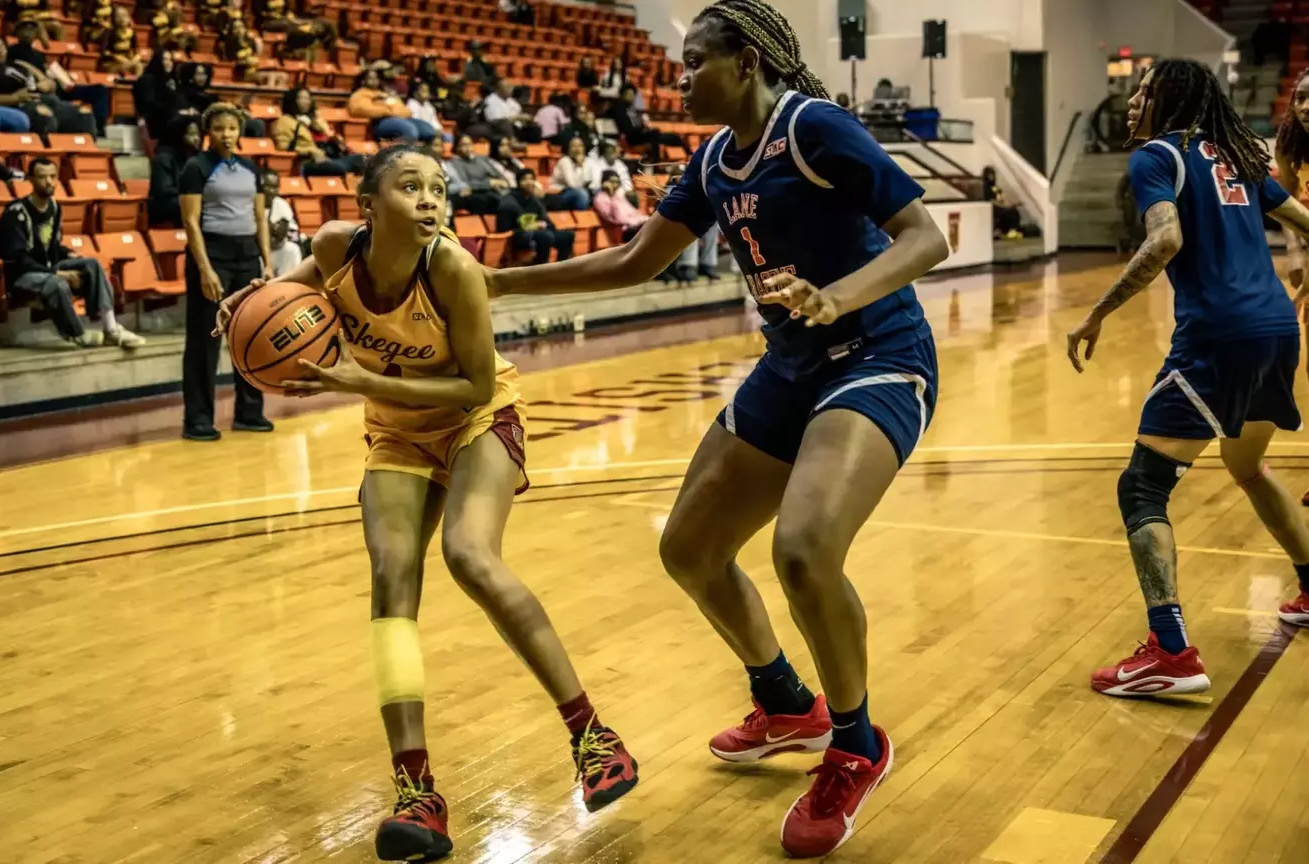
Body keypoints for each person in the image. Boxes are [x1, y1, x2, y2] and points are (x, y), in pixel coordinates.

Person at [486, 3, 950, 854]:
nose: (680, 76)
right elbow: (634, 261)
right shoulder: (710, 159)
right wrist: (503, 286)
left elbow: (926, 237)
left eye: (693, 62)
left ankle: (854, 744)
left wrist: (836, 295)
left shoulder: (814, 128)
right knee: (689, 548)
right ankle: (783, 702)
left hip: (877, 353)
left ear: (744, 61)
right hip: (791, 365)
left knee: (804, 552)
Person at [213, 145, 638, 862]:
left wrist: (358, 382)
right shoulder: (332, 248)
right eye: (410, 187)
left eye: (439, 189)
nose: (430, 199)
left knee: (469, 554)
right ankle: (417, 791)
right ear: (369, 207)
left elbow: (474, 387)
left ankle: (593, 737)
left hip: (476, 420)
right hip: (397, 434)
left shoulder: (454, 270)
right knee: (391, 581)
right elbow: (284, 304)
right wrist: (245, 312)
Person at [1066, 59, 1309, 695]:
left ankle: (1170, 652)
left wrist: (1097, 312)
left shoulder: (1157, 158)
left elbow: (1165, 240)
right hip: (1278, 331)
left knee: (1141, 488)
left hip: (1218, 337)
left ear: (1170, 100)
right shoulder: (1238, 156)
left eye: (1143, 91)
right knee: (1249, 465)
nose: (1132, 101)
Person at [179, 103, 275, 442]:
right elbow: (191, 221)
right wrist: (205, 269)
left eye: (232, 128)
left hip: (247, 254)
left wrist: (267, 261)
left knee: (247, 334)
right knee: (205, 340)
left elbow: (260, 217)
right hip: (213, 255)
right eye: (219, 128)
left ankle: (249, 412)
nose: (226, 134)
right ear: (209, 132)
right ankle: (198, 420)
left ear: (240, 131)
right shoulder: (196, 167)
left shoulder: (251, 168)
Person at [0, 158, 145, 349]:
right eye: (42, 177)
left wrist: (70, 255)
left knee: (91, 264)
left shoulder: (54, 208)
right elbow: (17, 260)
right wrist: (57, 273)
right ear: (31, 180)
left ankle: (110, 328)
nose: (49, 182)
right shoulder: (15, 213)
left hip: (49, 269)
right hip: (22, 278)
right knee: (56, 283)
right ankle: (77, 334)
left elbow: (53, 246)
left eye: (52, 176)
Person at [1272, 68, 1309, 506]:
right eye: (1300, 97)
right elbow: (1284, 204)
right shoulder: (1288, 145)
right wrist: (1296, 251)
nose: (1305, 105)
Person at [273, 86, 366, 176]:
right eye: (302, 98)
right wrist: (310, 152)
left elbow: (331, 136)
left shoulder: (316, 120)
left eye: (308, 98)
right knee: (336, 167)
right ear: (292, 100)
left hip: (328, 157)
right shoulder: (284, 121)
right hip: (307, 161)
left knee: (365, 160)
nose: (306, 101)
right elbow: (283, 147)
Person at [497, 168, 575, 264]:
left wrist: (545, 225)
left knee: (567, 235)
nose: (529, 182)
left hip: (538, 234)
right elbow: (503, 230)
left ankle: (561, 269)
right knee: (546, 236)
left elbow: (547, 221)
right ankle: (541, 270)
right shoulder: (508, 203)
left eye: (531, 179)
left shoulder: (534, 200)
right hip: (518, 236)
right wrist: (528, 228)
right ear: (518, 182)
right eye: (524, 179)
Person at [350, 68, 437, 143]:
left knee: (429, 130)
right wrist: (387, 111)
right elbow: (359, 109)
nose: (375, 80)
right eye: (371, 78)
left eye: (376, 78)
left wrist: (397, 112)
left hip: (400, 118)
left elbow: (406, 110)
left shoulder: (386, 93)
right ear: (363, 81)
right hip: (380, 122)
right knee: (410, 130)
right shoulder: (360, 94)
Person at [148, 115, 202, 226]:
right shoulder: (163, 158)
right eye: (191, 134)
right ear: (178, 135)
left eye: (198, 134)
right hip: (167, 204)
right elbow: (163, 190)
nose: (196, 138)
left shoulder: (196, 158)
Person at [134, 50, 194, 141]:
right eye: (165, 59)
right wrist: (176, 112)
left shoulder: (172, 81)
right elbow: (149, 106)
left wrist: (188, 109)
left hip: (173, 118)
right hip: (156, 122)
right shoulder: (147, 80)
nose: (168, 63)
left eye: (170, 60)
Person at [443, 134, 510, 215]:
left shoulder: (481, 159)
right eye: (464, 145)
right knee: (486, 200)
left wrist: (500, 182)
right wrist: (488, 183)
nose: (468, 148)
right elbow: (466, 184)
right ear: (456, 147)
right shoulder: (454, 163)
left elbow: (497, 175)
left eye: (470, 144)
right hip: (475, 194)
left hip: (493, 190)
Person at [262, 170, 302, 276]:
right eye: (267, 186)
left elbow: (286, 236)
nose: (271, 191)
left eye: (275, 187)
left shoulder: (281, 204)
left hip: (276, 251)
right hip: (258, 254)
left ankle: (289, 287)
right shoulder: (250, 204)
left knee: (292, 249)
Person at [591, 168, 646, 240]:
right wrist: (611, 195)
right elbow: (618, 220)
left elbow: (633, 212)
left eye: (617, 182)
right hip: (620, 232)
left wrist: (645, 220)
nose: (615, 185)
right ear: (604, 183)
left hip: (632, 227)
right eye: (612, 182)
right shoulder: (599, 199)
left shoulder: (618, 196)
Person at [549, 137, 597, 210]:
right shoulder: (565, 161)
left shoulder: (589, 161)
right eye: (574, 146)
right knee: (582, 193)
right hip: (561, 194)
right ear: (568, 149)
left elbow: (596, 181)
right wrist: (580, 166)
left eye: (580, 146)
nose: (577, 149)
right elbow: (572, 184)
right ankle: (582, 218)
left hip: (583, 190)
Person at [99, 5, 145, 76]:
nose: (122, 19)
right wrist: (117, 57)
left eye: (125, 16)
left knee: (139, 65)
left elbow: (136, 50)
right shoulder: (109, 32)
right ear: (114, 18)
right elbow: (104, 51)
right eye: (119, 16)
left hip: (128, 62)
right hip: (112, 63)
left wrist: (136, 58)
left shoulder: (131, 32)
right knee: (133, 65)